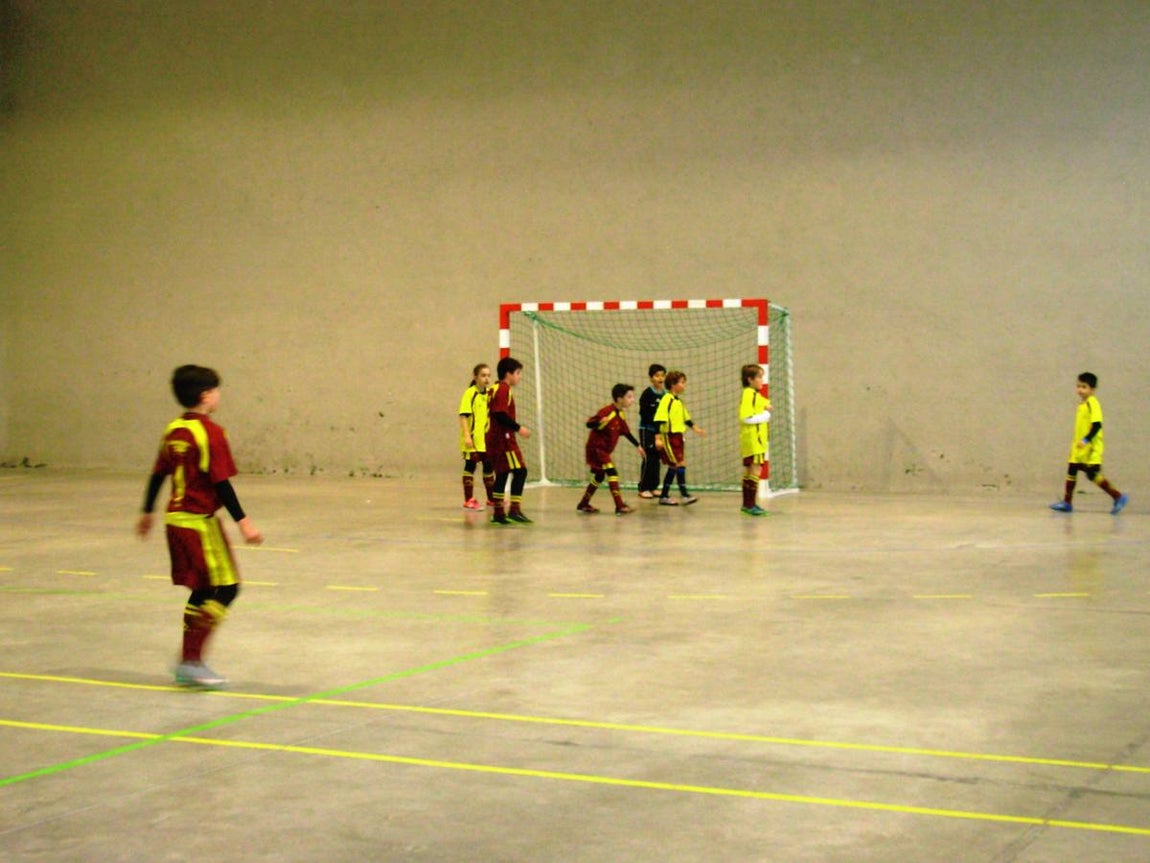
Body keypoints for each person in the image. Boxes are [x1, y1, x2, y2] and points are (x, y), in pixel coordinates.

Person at [136, 365, 263, 690]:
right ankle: (191, 660)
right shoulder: (211, 433)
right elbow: (221, 483)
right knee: (228, 588)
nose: (219, 396)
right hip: (199, 523)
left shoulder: (174, 429)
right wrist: (244, 522)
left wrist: (147, 511)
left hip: (175, 520)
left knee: (203, 589)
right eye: (216, 390)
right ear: (206, 395)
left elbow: (158, 473)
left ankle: (188, 662)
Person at [1049, 372, 1129, 515]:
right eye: (1078, 386)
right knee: (1072, 469)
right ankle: (1067, 503)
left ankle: (1117, 496)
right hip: (1079, 447)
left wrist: (1086, 440)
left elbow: (1097, 425)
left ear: (1092, 389)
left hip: (1090, 447)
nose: (1080, 390)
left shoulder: (1093, 403)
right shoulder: (1082, 405)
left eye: (1084, 387)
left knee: (1092, 474)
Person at [577, 384, 644, 516]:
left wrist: (638, 445)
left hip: (603, 450)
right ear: (619, 399)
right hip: (597, 449)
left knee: (599, 476)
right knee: (612, 473)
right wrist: (599, 422)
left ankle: (583, 504)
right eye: (629, 397)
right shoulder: (607, 412)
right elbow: (589, 424)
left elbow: (626, 432)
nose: (632, 400)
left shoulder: (620, 414)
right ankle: (619, 506)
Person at [485, 356, 533, 524]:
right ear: (508, 374)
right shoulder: (503, 389)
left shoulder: (495, 388)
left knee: (503, 473)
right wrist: (519, 428)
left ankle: (499, 513)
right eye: (518, 373)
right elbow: (499, 413)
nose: (520, 376)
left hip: (494, 438)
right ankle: (514, 510)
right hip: (503, 439)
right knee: (520, 471)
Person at [653, 370, 706, 505]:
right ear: (673, 384)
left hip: (678, 437)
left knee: (680, 464)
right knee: (675, 465)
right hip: (668, 436)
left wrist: (696, 429)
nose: (684, 385)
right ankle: (667, 496)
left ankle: (682, 495)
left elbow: (686, 418)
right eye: (682, 382)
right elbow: (659, 419)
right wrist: (657, 438)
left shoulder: (679, 402)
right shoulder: (667, 399)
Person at [459, 363, 495, 510]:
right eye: (483, 375)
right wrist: (467, 436)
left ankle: (491, 499)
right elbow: (463, 416)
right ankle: (469, 500)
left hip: (485, 440)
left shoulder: (489, 394)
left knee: (489, 466)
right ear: (475, 377)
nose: (486, 379)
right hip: (472, 440)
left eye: (488, 376)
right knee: (470, 466)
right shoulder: (470, 393)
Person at [738, 364, 771, 516]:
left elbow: (764, 402)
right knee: (755, 470)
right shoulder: (749, 394)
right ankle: (750, 504)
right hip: (754, 439)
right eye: (759, 377)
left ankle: (747, 504)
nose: (762, 380)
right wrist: (765, 415)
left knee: (749, 470)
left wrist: (766, 406)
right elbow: (745, 417)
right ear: (749, 379)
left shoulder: (753, 395)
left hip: (752, 439)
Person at [636, 364, 666, 499]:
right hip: (647, 430)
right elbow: (644, 414)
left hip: (660, 431)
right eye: (657, 375)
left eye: (662, 375)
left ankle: (653, 486)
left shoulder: (665, 395)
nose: (660, 378)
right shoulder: (647, 394)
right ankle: (643, 487)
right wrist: (655, 431)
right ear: (651, 378)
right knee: (648, 457)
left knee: (656, 458)